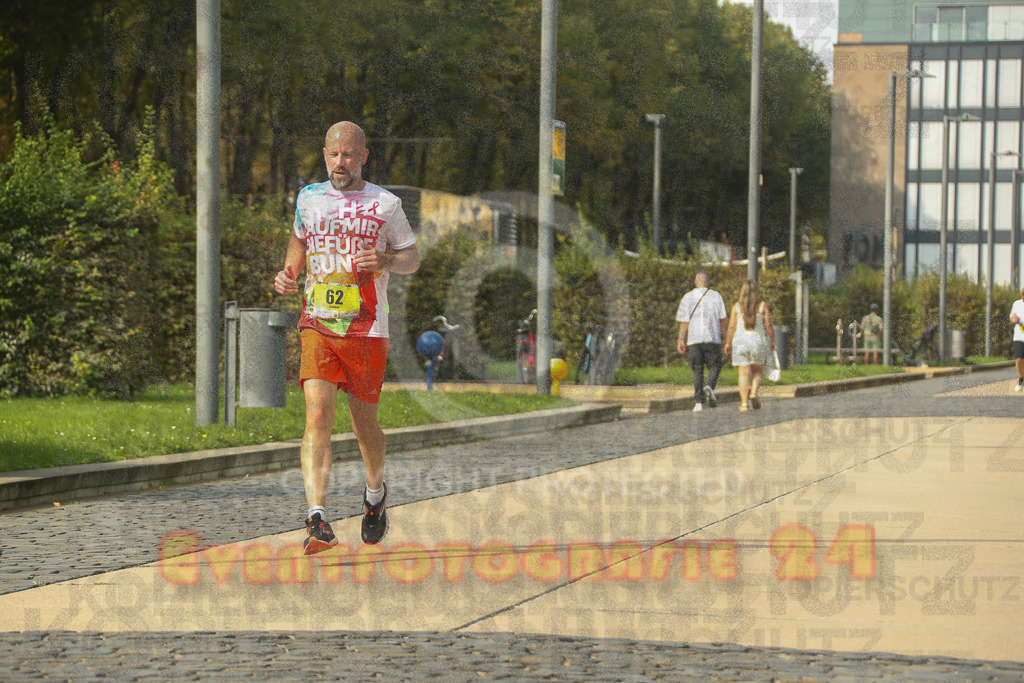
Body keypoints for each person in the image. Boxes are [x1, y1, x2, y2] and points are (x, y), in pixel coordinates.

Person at [274, 121, 420, 554]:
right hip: (318, 322)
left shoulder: (386, 204)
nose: (341, 162)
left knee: (363, 425)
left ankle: (375, 494)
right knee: (317, 416)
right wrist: (290, 273)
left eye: (349, 155)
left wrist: (388, 259)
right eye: (334, 155)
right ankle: (317, 517)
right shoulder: (308, 199)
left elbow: (411, 257)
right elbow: (298, 241)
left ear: (364, 156)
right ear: (324, 155)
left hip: (367, 327)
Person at [676, 270, 728, 412]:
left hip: (694, 340)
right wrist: (726, 338)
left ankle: (698, 402)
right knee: (715, 366)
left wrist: (680, 339)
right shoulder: (716, 296)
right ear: (709, 282)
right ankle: (710, 387)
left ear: (695, 282)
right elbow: (722, 320)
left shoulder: (687, 297)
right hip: (712, 339)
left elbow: (684, 322)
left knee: (697, 370)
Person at [723, 279, 777, 412]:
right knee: (757, 371)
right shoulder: (762, 306)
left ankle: (744, 404)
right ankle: (753, 393)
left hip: (740, 342)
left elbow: (731, 327)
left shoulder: (736, 307)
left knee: (743, 374)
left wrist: (728, 342)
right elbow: (768, 326)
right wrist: (773, 341)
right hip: (757, 342)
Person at [1010, 286, 1024, 392]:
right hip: (1019, 335)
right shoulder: (1017, 304)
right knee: (1019, 359)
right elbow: (1012, 317)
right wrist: (1015, 319)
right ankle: (1020, 379)